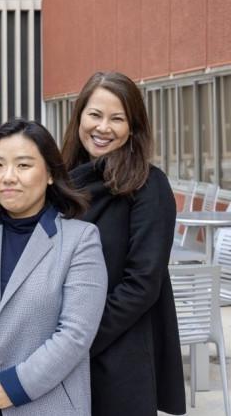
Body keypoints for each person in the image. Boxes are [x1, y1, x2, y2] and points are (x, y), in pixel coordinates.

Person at [0, 118, 108, 416]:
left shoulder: (80, 240)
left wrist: (14, 387)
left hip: (48, 404)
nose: (8, 177)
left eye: (23, 165)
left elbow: (75, 333)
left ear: (50, 175)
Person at [61, 71, 186, 416]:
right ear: (80, 116)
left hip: (117, 349)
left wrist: (77, 340)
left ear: (133, 127)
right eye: (95, 115)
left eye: (117, 119)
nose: (103, 128)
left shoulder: (148, 186)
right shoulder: (61, 180)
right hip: (59, 354)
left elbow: (143, 282)